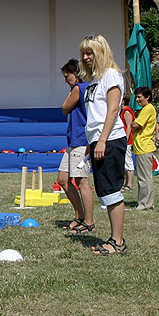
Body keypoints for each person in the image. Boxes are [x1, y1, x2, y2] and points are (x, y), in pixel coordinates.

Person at [79, 34, 127, 255]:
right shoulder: (95, 80)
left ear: (101, 52)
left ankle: (117, 242)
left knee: (111, 190)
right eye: (84, 54)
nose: (86, 57)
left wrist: (103, 140)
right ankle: (114, 238)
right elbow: (95, 116)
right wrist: (92, 141)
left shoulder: (111, 75)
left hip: (110, 139)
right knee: (105, 191)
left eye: (90, 53)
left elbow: (113, 110)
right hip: (98, 139)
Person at [56, 59, 95, 235]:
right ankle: (80, 215)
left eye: (67, 76)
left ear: (76, 74)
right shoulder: (79, 89)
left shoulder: (80, 88)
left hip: (81, 141)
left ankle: (89, 221)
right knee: (63, 179)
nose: (66, 80)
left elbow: (64, 108)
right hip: (72, 141)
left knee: (81, 181)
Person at [130, 87, 156, 211]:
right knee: (142, 177)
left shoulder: (147, 109)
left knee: (144, 178)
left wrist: (132, 124)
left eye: (140, 97)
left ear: (147, 97)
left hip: (144, 146)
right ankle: (143, 202)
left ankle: (146, 204)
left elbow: (136, 125)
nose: (137, 99)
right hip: (141, 147)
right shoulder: (145, 110)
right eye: (137, 97)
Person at [120, 94, 136, 191]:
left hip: (127, 140)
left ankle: (129, 184)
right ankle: (126, 183)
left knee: (128, 160)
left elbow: (129, 125)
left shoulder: (127, 111)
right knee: (125, 161)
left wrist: (126, 139)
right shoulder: (122, 111)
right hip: (124, 138)